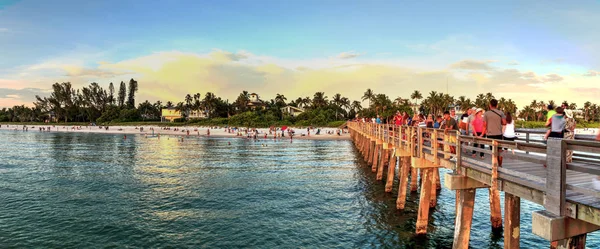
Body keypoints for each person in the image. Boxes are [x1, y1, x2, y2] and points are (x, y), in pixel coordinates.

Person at [482, 99, 506, 166]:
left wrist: (482, 134)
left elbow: (484, 125)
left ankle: (494, 166)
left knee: (493, 151)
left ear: (490, 105)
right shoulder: (501, 113)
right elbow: (504, 122)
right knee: (500, 151)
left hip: (490, 135)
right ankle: (500, 165)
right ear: (497, 105)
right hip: (499, 134)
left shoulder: (486, 113)